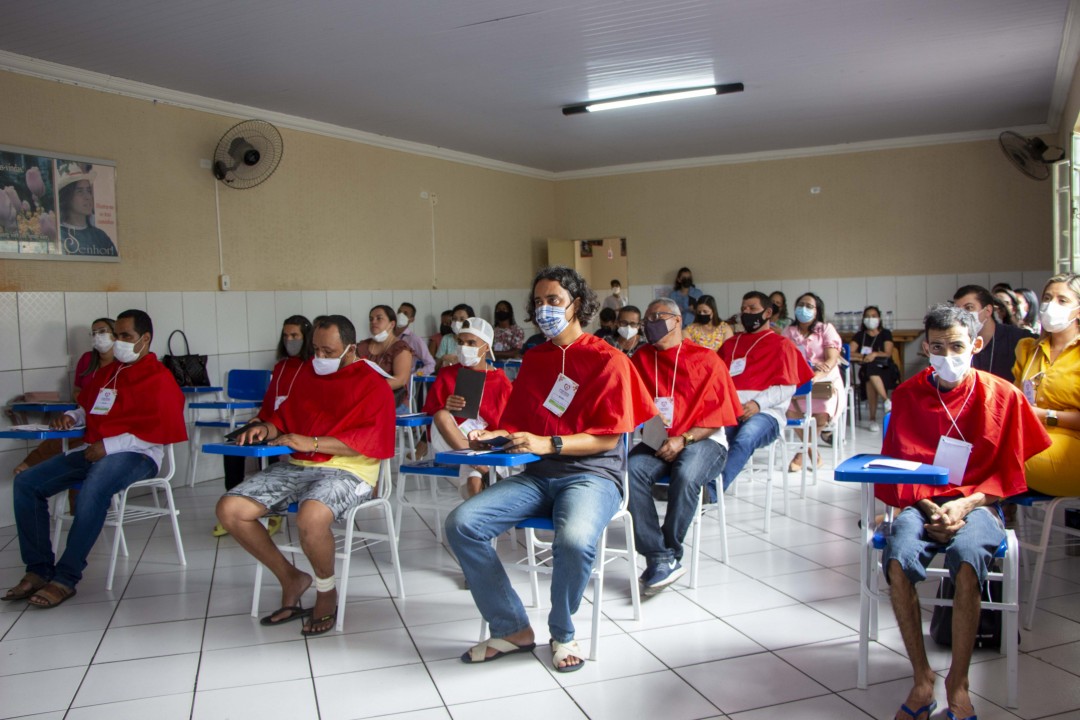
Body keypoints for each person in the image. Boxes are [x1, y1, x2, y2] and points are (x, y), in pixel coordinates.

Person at [445, 266, 655, 673]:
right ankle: (512, 628)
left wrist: (550, 443)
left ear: (577, 304)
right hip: (540, 473)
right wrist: (494, 434)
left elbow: (608, 438)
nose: (544, 309)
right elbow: (522, 423)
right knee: (462, 524)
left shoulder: (607, 359)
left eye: (554, 300)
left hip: (594, 474)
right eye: (538, 302)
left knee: (574, 540)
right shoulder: (536, 357)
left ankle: (562, 631)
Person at [877, 304, 1049, 720]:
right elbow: (898, 468)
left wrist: (966, 503)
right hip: (924, 502)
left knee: (969, 560)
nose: (946, 355)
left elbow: (1011, 473)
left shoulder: (1002, 395)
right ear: (926, 347)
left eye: (955, 346)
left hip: (980, 502)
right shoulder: (907, 394)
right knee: (897, 557)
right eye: (937, 347)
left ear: (976, 343)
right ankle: (922, 680)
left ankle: (959, 680)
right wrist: (931, 506)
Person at [216, 315, 396, 637]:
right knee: (230, 510)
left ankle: (326, 590)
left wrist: (312, 442)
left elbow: (369, 441)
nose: (320, 359)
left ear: (351, 349)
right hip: (301, 465)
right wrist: (264, 428)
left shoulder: (374, 385)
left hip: (350, 470)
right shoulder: (309, 376)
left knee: (311, 518)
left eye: (329, 352)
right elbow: (284, 419)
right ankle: (291, 578)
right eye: (316, 351)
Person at [4, 310, 186, 608]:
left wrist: (109, 446)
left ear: (146, 339)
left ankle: (65, 577)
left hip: (139, 453)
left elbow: (160, 432)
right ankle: (38, 570)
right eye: (118, 336)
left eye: (126, 336)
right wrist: (71, 415)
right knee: (27, 483)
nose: (119, 343)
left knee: (93, 488)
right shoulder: (108, 372)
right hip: (94, 449)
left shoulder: (160, 379)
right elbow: (88, 407)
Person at [628, 298, 741, 593]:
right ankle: (658, 556)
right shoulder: (641, 358)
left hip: (703, 439)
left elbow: (718, 418)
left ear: (677, 321)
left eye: (658, 316)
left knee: (687, 472)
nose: (650, 322)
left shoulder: (706, 359)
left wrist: (684, 438)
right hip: (657, 441)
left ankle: (669, 551)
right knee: (629, 472)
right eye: (647, 318)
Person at [214, 315, 314, 537]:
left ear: (306, 337)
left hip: (296, 426)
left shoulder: (313, 367)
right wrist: (259, 419)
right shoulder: (280, 367)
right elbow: (271, 400)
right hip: (271, 422)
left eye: (295, 335)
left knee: (270, 453)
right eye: (286, 336)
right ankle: (232, 498)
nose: (290, 340)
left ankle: (272, 509)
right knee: (235, 444)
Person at [716, 291, 814, 501]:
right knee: (710, 438)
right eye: (743, 309)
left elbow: (787, 387)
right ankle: (690, 484)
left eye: (752, 309)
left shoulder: (782, 345)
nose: (746, 313)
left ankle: (711, 492)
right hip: (731, 410)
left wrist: (757, 404)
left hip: (766, 413)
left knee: (745, 438)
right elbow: (717, 381)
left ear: (768, 312)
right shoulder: (731, 344)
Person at [422, 318, 513, 498]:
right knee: (441, 416)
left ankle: (480, 472)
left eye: (471, 343)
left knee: (474, 483)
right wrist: (445, 406)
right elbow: (430, 412)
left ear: (486, 347)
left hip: (485, 444)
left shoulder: (500, 380)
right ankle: (481, 467)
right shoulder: (447, 374)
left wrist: (487, 437)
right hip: (452, 441)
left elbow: (508, 422)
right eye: (460, 342)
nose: (464, 347)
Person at [13, 318, 114, 476]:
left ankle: (31, 464)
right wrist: (86, 404)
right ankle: (32, 465)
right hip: (85, 411)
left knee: (80, 446)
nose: (97, 336)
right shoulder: (87, 360)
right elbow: (77, 390)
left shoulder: (122, 365)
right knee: (62, 433)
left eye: (102, 332)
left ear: (116, 335)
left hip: (108, 418)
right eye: (93, 333)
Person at [1013, 273, 1080, 496]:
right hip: (1030, 435)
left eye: (1062, 300)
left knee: (1004, 455)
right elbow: (1016, 399)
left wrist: (1042, 415)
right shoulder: (1028, 349)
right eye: (1048, 298)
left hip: (1072, 445)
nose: (1052, 305)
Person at [782, 293, 845, 469]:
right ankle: (812, 453)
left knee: (821, 413)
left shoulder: (825, 329)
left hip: (824, 378)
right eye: (801, 304)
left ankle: (801, 454)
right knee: (789, 409)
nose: (804, 309)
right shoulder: (789, 332)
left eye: (809, 306)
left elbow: (831, 359)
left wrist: (816, 376)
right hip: (798, 379)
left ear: (817, 311)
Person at [952, 285, 1034, 381]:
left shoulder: (1018, 338)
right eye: (957, 310)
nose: (962, 314)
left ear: (988, 311)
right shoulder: (955, 344)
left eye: (969, 308)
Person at [850, 305, 900, 432]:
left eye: (873, 316)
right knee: (869, 372)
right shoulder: (860, 335)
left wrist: (875, 354)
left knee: (869, 375)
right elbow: (849, 352)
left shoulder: (885, 333)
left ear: (879, 318)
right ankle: (886, 401)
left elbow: (887, 353)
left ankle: (873, 419)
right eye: (867, 316)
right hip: (868, 370)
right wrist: (865, 356)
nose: (870, 319)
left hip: (885, 368)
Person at [355, 305, 414, 408]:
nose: (373, 322)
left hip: (392, 401)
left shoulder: (400, 348)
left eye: (379, 318)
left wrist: (371, 389)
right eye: (371, 319)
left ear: (392, 324)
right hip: (364, 399)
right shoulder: (362, 346)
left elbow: (401, 379)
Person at [56, 162, 117, 257]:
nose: (88, 197)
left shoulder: (100, 236)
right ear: (66, 197)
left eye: (88, 191)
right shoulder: (59, 235)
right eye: (80, 191)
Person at [395, 303, 436, 375]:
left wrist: (414, 376)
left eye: (405, 313)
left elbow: (431, 365)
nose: (400, 315)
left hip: (405, 380)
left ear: (412, 319)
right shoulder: (388, 336)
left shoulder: (414, 339)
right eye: (399, 312)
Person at [435, 303, 475, 369]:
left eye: (462, 319)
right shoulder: (447, 339)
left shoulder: (475, 339)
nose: (457, 322)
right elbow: (436, 367)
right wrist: (443, 358)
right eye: (454, 319)